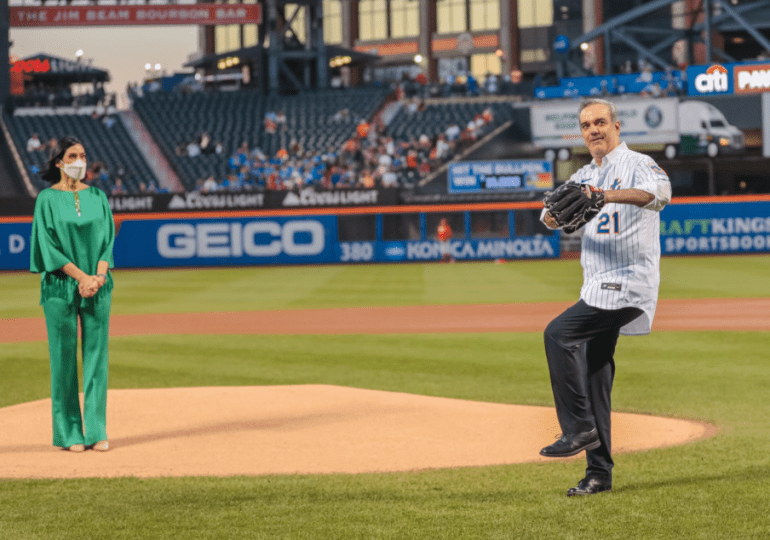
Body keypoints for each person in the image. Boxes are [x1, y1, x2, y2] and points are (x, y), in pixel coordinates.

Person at [538, 98, 672, 496]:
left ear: (616, 126)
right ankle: (599, 473)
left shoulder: (639, 164)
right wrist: (557, 211)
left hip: (628, 282)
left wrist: (605, 197)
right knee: (596, 376)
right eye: (585, 125)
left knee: (557, 334)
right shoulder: (582, 175)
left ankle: (577, 429)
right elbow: (546, 220)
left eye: (600, 122)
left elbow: (661, 195)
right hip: (596, 286)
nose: (593, 130)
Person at [29, 136, 115, 453]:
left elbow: (107, 240)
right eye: (73, 155)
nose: (80, 160)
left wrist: (98, 276)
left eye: (83, 154)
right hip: (60, 286)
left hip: (98, 285)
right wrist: (80, 276)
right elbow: (46, 246)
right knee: (63, 360)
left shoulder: (98, 197)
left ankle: (96, 430)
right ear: (59, 162)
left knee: (96, 359)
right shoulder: (46, 200)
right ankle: (69, 433)